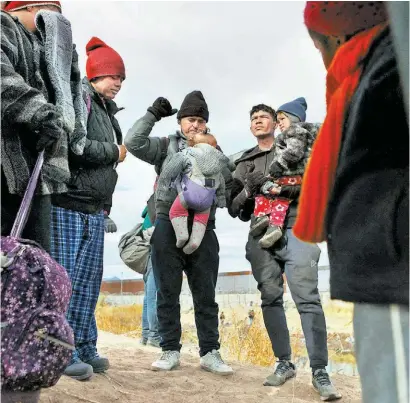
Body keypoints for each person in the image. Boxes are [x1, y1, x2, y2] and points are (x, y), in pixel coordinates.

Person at [295, 2, 408, 402]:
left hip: (392, 264)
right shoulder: (367, 69)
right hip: (381, 260)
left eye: (318, 45)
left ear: (336, 36)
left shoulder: (388, 65)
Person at [228, 104, 341, 401]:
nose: (258, 121)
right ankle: (284, 362)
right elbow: (234, 209)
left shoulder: (296, 147)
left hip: (298, 226)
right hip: (261, 233)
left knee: (308, 298)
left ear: (277, 123)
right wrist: (248, 191)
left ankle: (319, 370)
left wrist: (281, 188)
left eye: (264, 116)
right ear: (250, 127)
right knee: (270, 296)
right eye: (252, 118)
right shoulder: (243, 162)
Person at [125, 90, 234, 375]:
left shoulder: (215, 149)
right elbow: (132, 143)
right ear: (180, 122)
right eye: (189, 120)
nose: (195, 125)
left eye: (200, 120)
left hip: (203, 227)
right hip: (166, 224)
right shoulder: (164, 146)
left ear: (206, 124)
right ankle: (169, 349)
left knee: (205, 294)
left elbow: (229, 180)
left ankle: (210, 352)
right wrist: (152, 114)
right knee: (166, 292)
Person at [50, 36, 127, 381]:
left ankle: (82, 346)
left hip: (93, 210)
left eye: (122, 79)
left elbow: (106, 171)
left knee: (86, 284)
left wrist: (106, 209)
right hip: (67, 202)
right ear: (97, 74)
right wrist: (115, 152)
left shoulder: (108, 113)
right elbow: (73, 145)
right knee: (63, 282)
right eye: (115, 77)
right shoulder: (80, 98)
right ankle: (57, 351)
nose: (119, 85)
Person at [1, 0, 87, 253]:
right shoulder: (4, 25)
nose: (59, 23)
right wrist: (41, 112)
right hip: (5, 167)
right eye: (54, 13)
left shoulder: (48, 50)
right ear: (31, 7)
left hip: (36, 174)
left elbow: (70, 95)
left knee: (34, 262)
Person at [249, 98, 320, 248]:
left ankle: (263, 217)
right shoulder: (296, 133)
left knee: (267, 190)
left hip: (292, 175)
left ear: (294, 118)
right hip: (293, 176)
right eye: (278, 120)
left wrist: (278, 165)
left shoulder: (295, 131)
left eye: (282, 119)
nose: (279, 123)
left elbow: (294, 152)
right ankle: (273, 226)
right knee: (280, 200)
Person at [157, 133, 229, 254]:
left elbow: (170, 170)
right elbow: (221, 182)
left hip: (188, 195)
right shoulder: (219, 163)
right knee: (201, 219)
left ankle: (182, 235)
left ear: (193, 144)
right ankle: (195, 241)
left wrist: (165, 184)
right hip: (207, 200)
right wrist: (221, 199)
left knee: (176, 212)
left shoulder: (187, 154)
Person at [140, 206, 161, 348]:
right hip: (157, 251)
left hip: (148, 252)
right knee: (153, 296)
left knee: (148, 296)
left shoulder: (150, 207)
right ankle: (154, 336)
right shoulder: (159, 205)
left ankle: (146, 335)